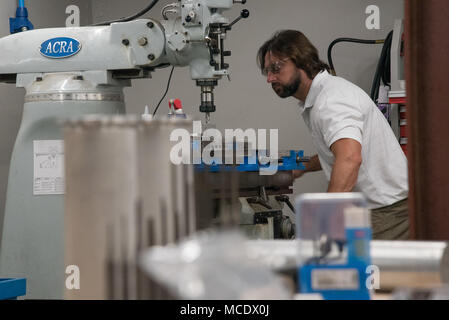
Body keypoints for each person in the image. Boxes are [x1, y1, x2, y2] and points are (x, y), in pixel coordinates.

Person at [257, 30, 409, 240]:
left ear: (300, 59)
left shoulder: (331, 100)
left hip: (387, 213)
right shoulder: (321, 97)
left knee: (363, 271)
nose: (270, 78)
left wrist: (326, 217)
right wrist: (300, 168)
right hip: (380, 209)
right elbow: (340, 151)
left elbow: (349, 158)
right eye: (267, 72)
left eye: (276, 68)